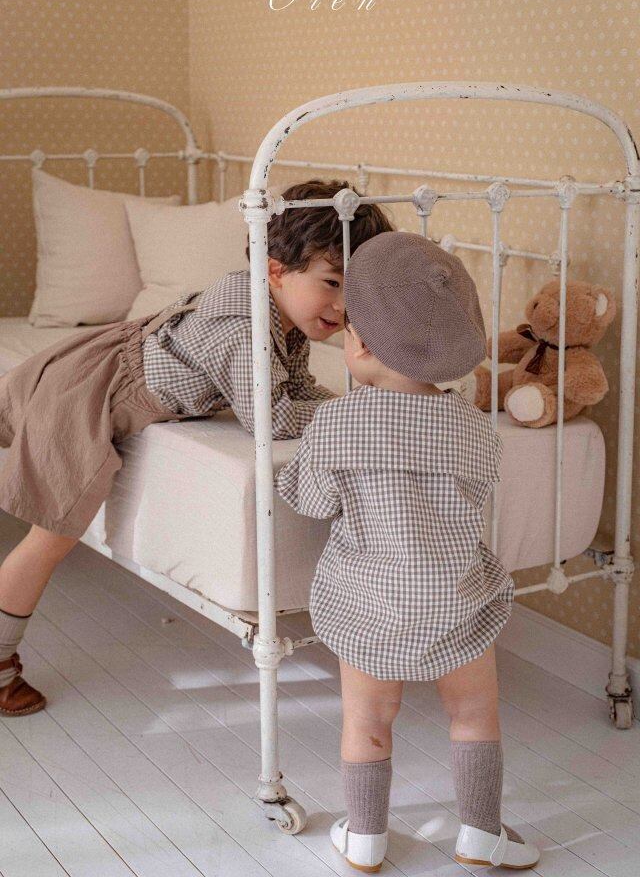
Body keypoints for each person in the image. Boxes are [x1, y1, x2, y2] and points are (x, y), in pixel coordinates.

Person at [0, 178, 394, 718]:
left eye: (356, 290)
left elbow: (299, 389)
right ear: (276, 270)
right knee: (52, 536)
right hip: (91, 393)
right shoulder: (243, 329)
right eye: (332, 283)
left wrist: (364, 404)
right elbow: (276, 418)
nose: (343, 306)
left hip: (117, 361)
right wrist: (360, 413)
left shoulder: (284, 315)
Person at [275, 231, 540, 872]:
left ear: (360, 345)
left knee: (367, 721)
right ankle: (481, 834)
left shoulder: (337, 422)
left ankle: (365, 838)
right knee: (474, 714)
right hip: (457, 597)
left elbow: (311, 499)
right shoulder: (475, 429)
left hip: (369, 603)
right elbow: (476, 494)